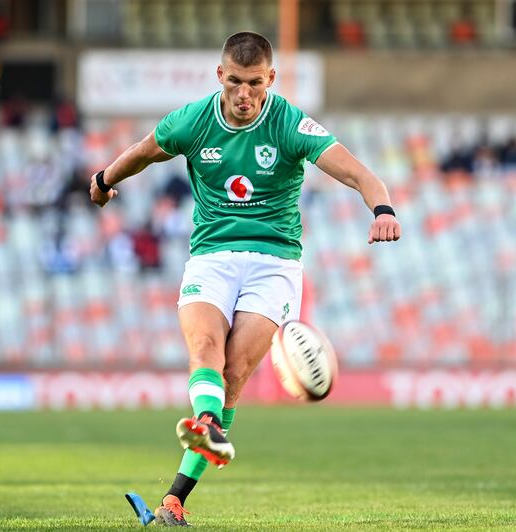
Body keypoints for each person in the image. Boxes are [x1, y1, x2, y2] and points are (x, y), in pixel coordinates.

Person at [89, 32, 401, 526]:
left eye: (255, 83)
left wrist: (382, 209)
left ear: (270, 79)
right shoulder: (193, 120)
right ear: (220, 75)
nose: (244, 93)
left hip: (274, 263)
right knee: (205, 347)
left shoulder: (290, 123)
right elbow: (145, 151)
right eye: (234, 81)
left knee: (232, 375)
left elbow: (359, 173)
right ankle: (206, 426)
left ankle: (174, 498)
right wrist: (105, 180)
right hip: (211, 257)